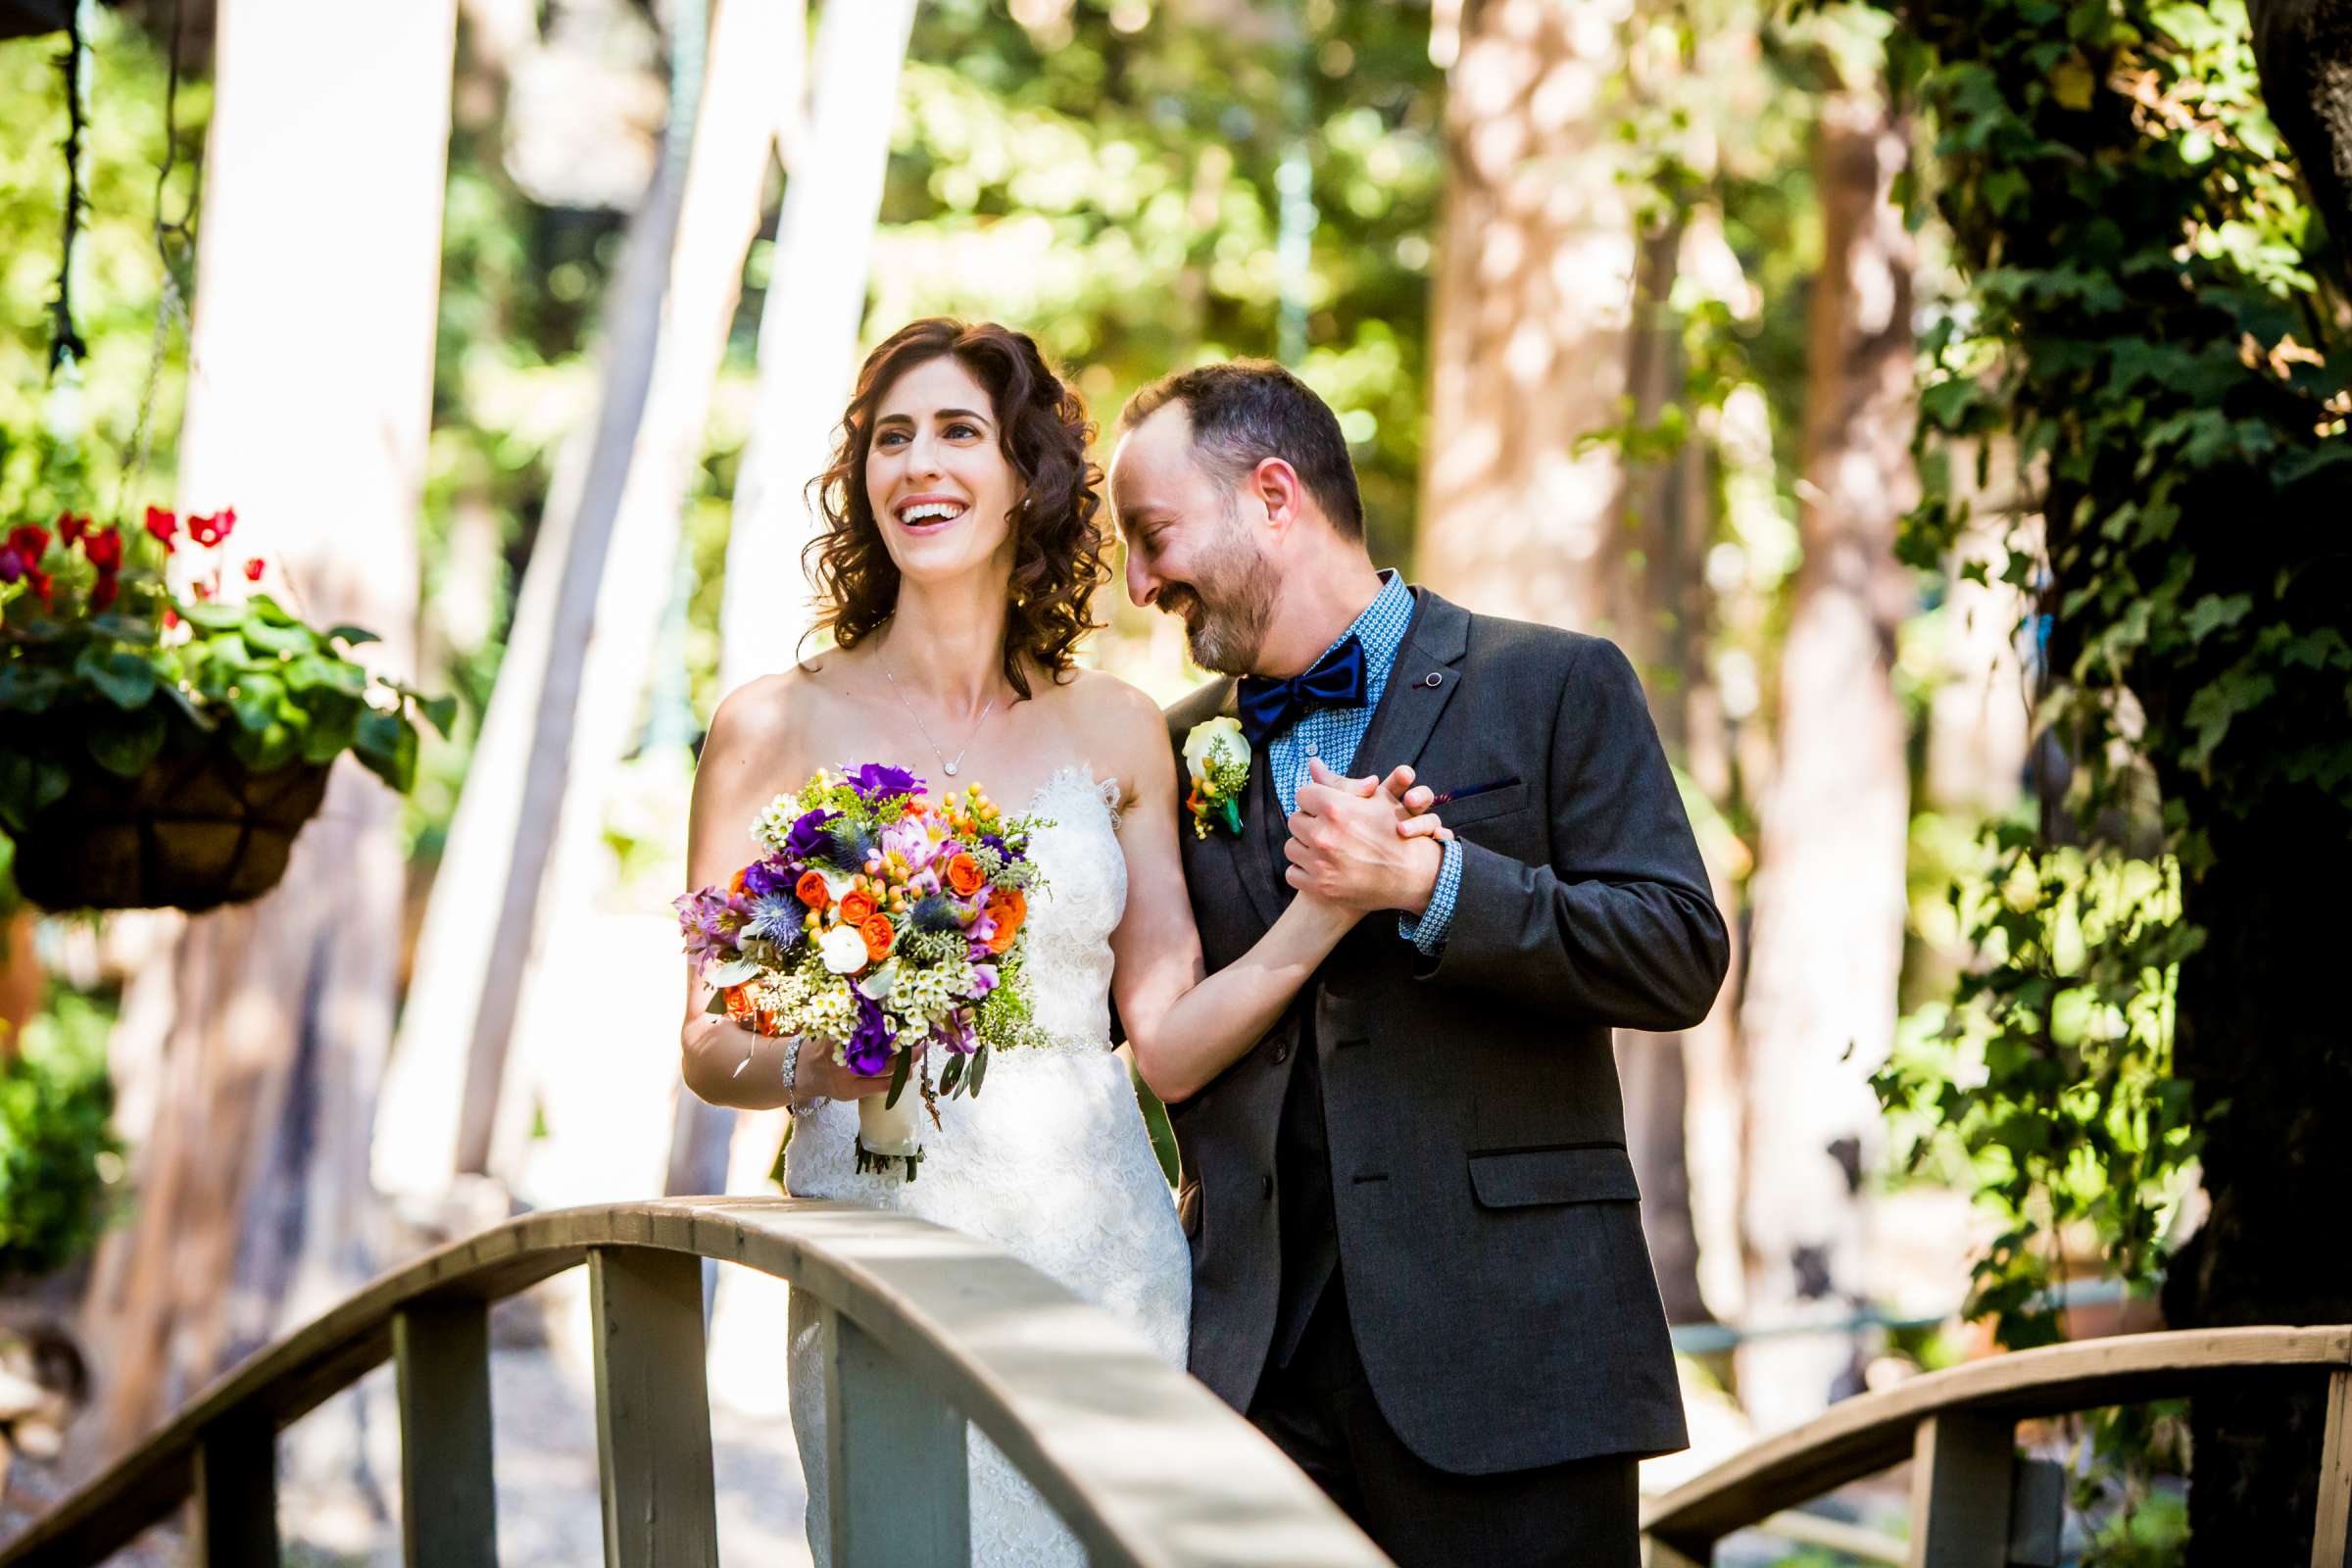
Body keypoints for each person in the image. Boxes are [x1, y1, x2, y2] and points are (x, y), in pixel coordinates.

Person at [677, 318, 1444, 1566]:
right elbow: (712, 1043)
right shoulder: (771, 722)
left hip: (1102, 1261)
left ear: (1027, 476)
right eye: (890, 438)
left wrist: (1330, 907)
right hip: (878, 1240)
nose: (917, 463)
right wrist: (825, 1063)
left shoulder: (1119, 728)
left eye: (959, 432)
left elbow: (1174, 1039)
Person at [1111, 360, 1731, 1567]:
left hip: (1516, 1365)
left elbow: (1678, 952)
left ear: (1274, 495)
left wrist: (1436, 887)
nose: (1139, 583)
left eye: (1154, 536)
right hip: (1251, 1380)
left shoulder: (1553, 682)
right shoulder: (1177, 749)